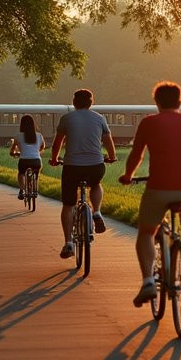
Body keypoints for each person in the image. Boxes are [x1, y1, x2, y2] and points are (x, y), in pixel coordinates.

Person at [119, 81, 181, 307]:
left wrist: (128, 175)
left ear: (156, 102)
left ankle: (148, 281)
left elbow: (136, 154)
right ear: (180, 101)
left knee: (146, 232)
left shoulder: (149, 123)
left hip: (160, 188)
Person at [50, 89, 117, 258]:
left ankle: (69, 243)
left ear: (74, 103)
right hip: (95, 165)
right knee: (95, 184)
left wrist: (54, 159)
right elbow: (109, 142)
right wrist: (112, 157)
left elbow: (57, 143)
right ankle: (97, 212)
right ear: (91, 103)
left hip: (72, 167)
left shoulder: (66, 119)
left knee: (68, 204)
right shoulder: (100, 118)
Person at [8, 114, 47, 199]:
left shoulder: (18, 136)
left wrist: (15, 153)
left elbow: (12, 151)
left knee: (21, 173)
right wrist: (37, 151)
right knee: (36, 173)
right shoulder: (39, 135)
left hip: (24, 161)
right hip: (36, 161)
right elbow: (42, 147)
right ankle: (35, 190)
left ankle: (22, 190)